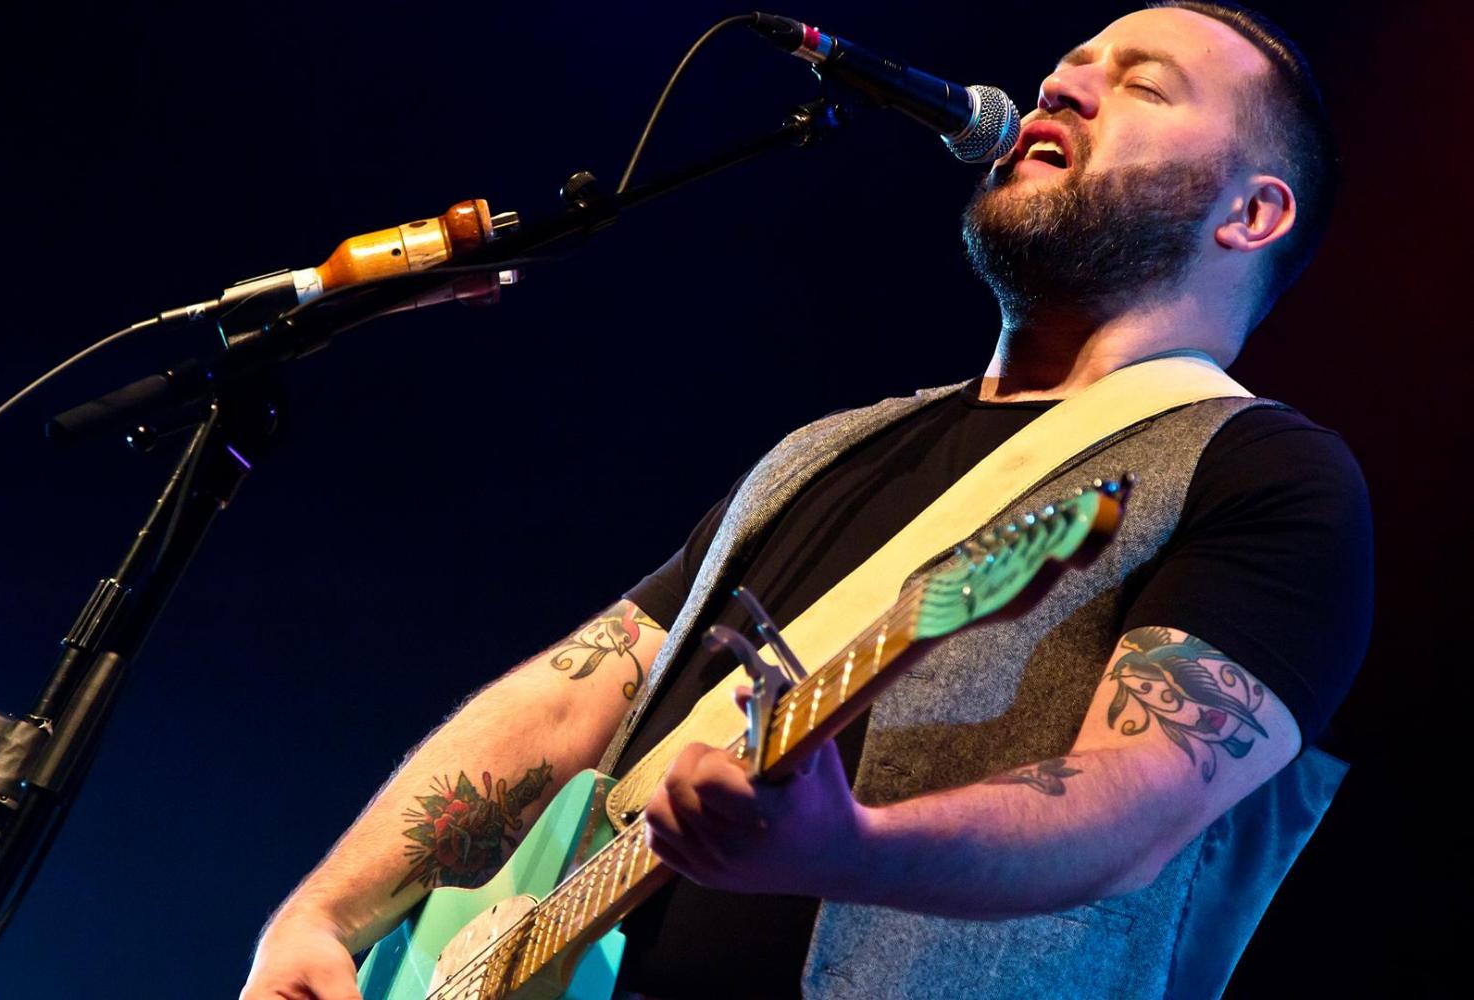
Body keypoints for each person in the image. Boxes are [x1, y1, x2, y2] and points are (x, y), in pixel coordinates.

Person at [241, 3, 1372, 998]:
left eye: (1142, 85)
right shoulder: (830, 448)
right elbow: (579, 690)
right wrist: (323, 918)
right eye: (1067, 68)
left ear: (1252, 214)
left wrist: (848, 849)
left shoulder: (1266, 475)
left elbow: (1129, 811)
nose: (1061, 88)